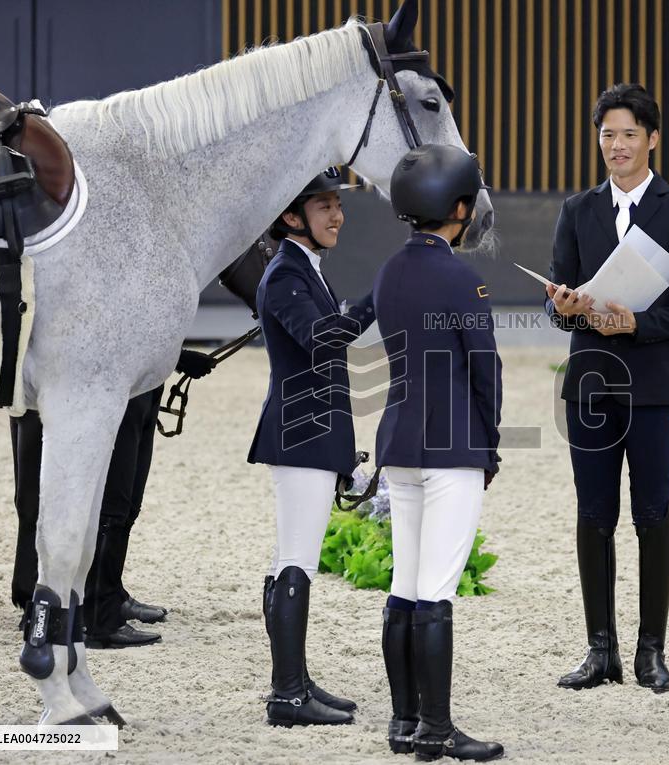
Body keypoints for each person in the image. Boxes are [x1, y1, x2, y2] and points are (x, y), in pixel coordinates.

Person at [545, 83, 669, 693]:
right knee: (593, 515)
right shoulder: (576, 210)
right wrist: (565, 307)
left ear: (652, 139)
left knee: (652, 513)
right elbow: (558, 309)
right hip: (590, 388)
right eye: (606, 135)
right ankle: (601, 652)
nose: (615, 146)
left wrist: (640, 323)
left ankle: (651, 651)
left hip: (651, 390)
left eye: (627, 134)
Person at [373, 144, 503, 762]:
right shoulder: (461, 276)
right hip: (451, 446)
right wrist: (491, 444)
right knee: (437, 590)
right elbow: (485, 369)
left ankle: (403, 722)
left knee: (405, 582)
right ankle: (438, 729)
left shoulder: (387, 271)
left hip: (399, 440)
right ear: (457, 208)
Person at [248, 167, 376, 728]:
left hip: (313, 432)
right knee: (295, 560)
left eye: (337, 205)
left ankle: (293, 680)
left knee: (288, 561)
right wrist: (380, 299)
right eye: (323, 206)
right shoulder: (284, 276)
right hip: (301, 433)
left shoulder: (306, 270)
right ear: (290, 216)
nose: (337, 215)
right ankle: (288, 695)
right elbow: (324, 343)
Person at [10, 349, 216, 648]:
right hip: (74, 376)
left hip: (134, 378)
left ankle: (107, 591)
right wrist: (173, 354)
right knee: (50, 498)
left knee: (126, 501)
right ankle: (54, 601)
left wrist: (168, 355)